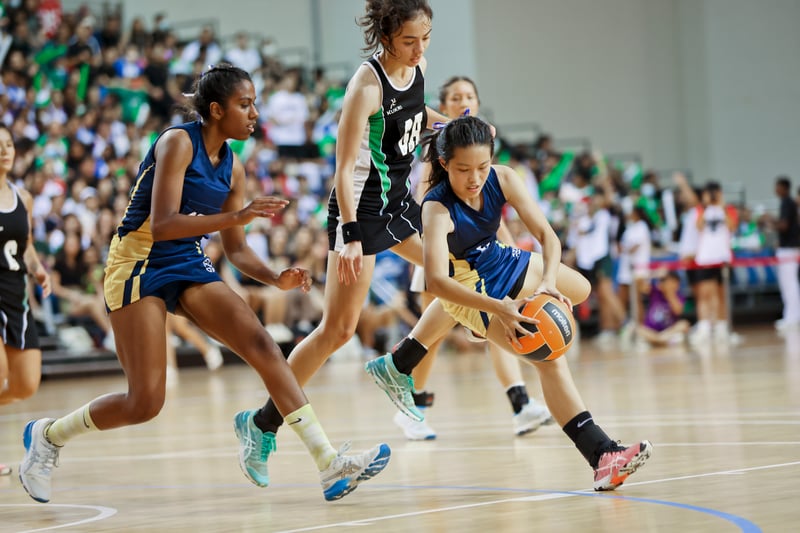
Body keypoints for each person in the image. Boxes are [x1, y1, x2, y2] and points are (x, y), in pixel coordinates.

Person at [18, 64, 390, 504]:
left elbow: (235, 250)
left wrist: (275, 277)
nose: (254, 114)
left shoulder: (233, 168)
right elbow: (160, 225)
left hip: (185, 259)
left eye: (254, 104)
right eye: (245, 105)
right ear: (216, 110)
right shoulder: (177, 142)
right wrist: (237, 215)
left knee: (262, 344)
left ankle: (328, 464)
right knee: (145, 402)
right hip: (137, 260)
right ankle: (48, 436)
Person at [365, 116, 652, 491]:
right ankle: (602, 455)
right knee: (549, 356)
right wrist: (496, 308)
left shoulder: (503, 178)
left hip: (502, 257)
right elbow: (437, 281)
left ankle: (406, 358)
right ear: (444, 164)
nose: (474, 178)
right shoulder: (436, 210)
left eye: (482, 167)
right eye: (463, 169)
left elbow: (548, 237)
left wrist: (548, 284)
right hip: (472, 287)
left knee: (578, 289)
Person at [236, 0, 457, 480]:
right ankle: (261, 423)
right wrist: (352, 236)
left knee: (456, 270)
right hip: (359, 211)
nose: (419, 49)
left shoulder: (417, 68)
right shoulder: (366, 85)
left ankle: (401, 365)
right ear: (385, 38)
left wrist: (452, 127)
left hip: (398, 204)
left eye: (426, 39)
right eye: (409, 41)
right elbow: (341, 168)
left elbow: (419, 112)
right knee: (337, 330)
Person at [403, 76, 551, 440]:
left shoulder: (483, 158)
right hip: (441, 254)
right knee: (431, 336)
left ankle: (519, 403)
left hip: (481, 254)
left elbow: (489, 213)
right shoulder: (436, 162)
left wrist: (506, 245)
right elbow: (431, 213)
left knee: (502, 317)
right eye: (455, 97)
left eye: (469, 95)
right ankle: (413, 408)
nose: (462, 101)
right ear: (444, 106)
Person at [0, 124, 52, 477]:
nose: (5, 150)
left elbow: (26, 244)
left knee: (25, 384)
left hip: (15, 294)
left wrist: (37, 269)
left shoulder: (23, 197)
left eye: (8, 144)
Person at [635, 271, 690, 348]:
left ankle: (656, 341)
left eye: (673, 283)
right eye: (665, 281)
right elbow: (637, 280)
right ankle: (661, 341)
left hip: (667, 331)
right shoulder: (655, 291)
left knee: (684, 324)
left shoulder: (679, 296)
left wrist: (670, 293)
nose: (670, 285)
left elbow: (678, 311)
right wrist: (654, 274)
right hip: (651, 330)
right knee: (639, 329)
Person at [774, 176, 800, 332]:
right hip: (790, 248)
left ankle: (792, 317)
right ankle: (791, 315)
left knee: (789, 283)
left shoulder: (787, 203)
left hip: (789, 249)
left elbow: (784, 226)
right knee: (790, 283)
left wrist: (770, 221)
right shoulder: (791, 205)